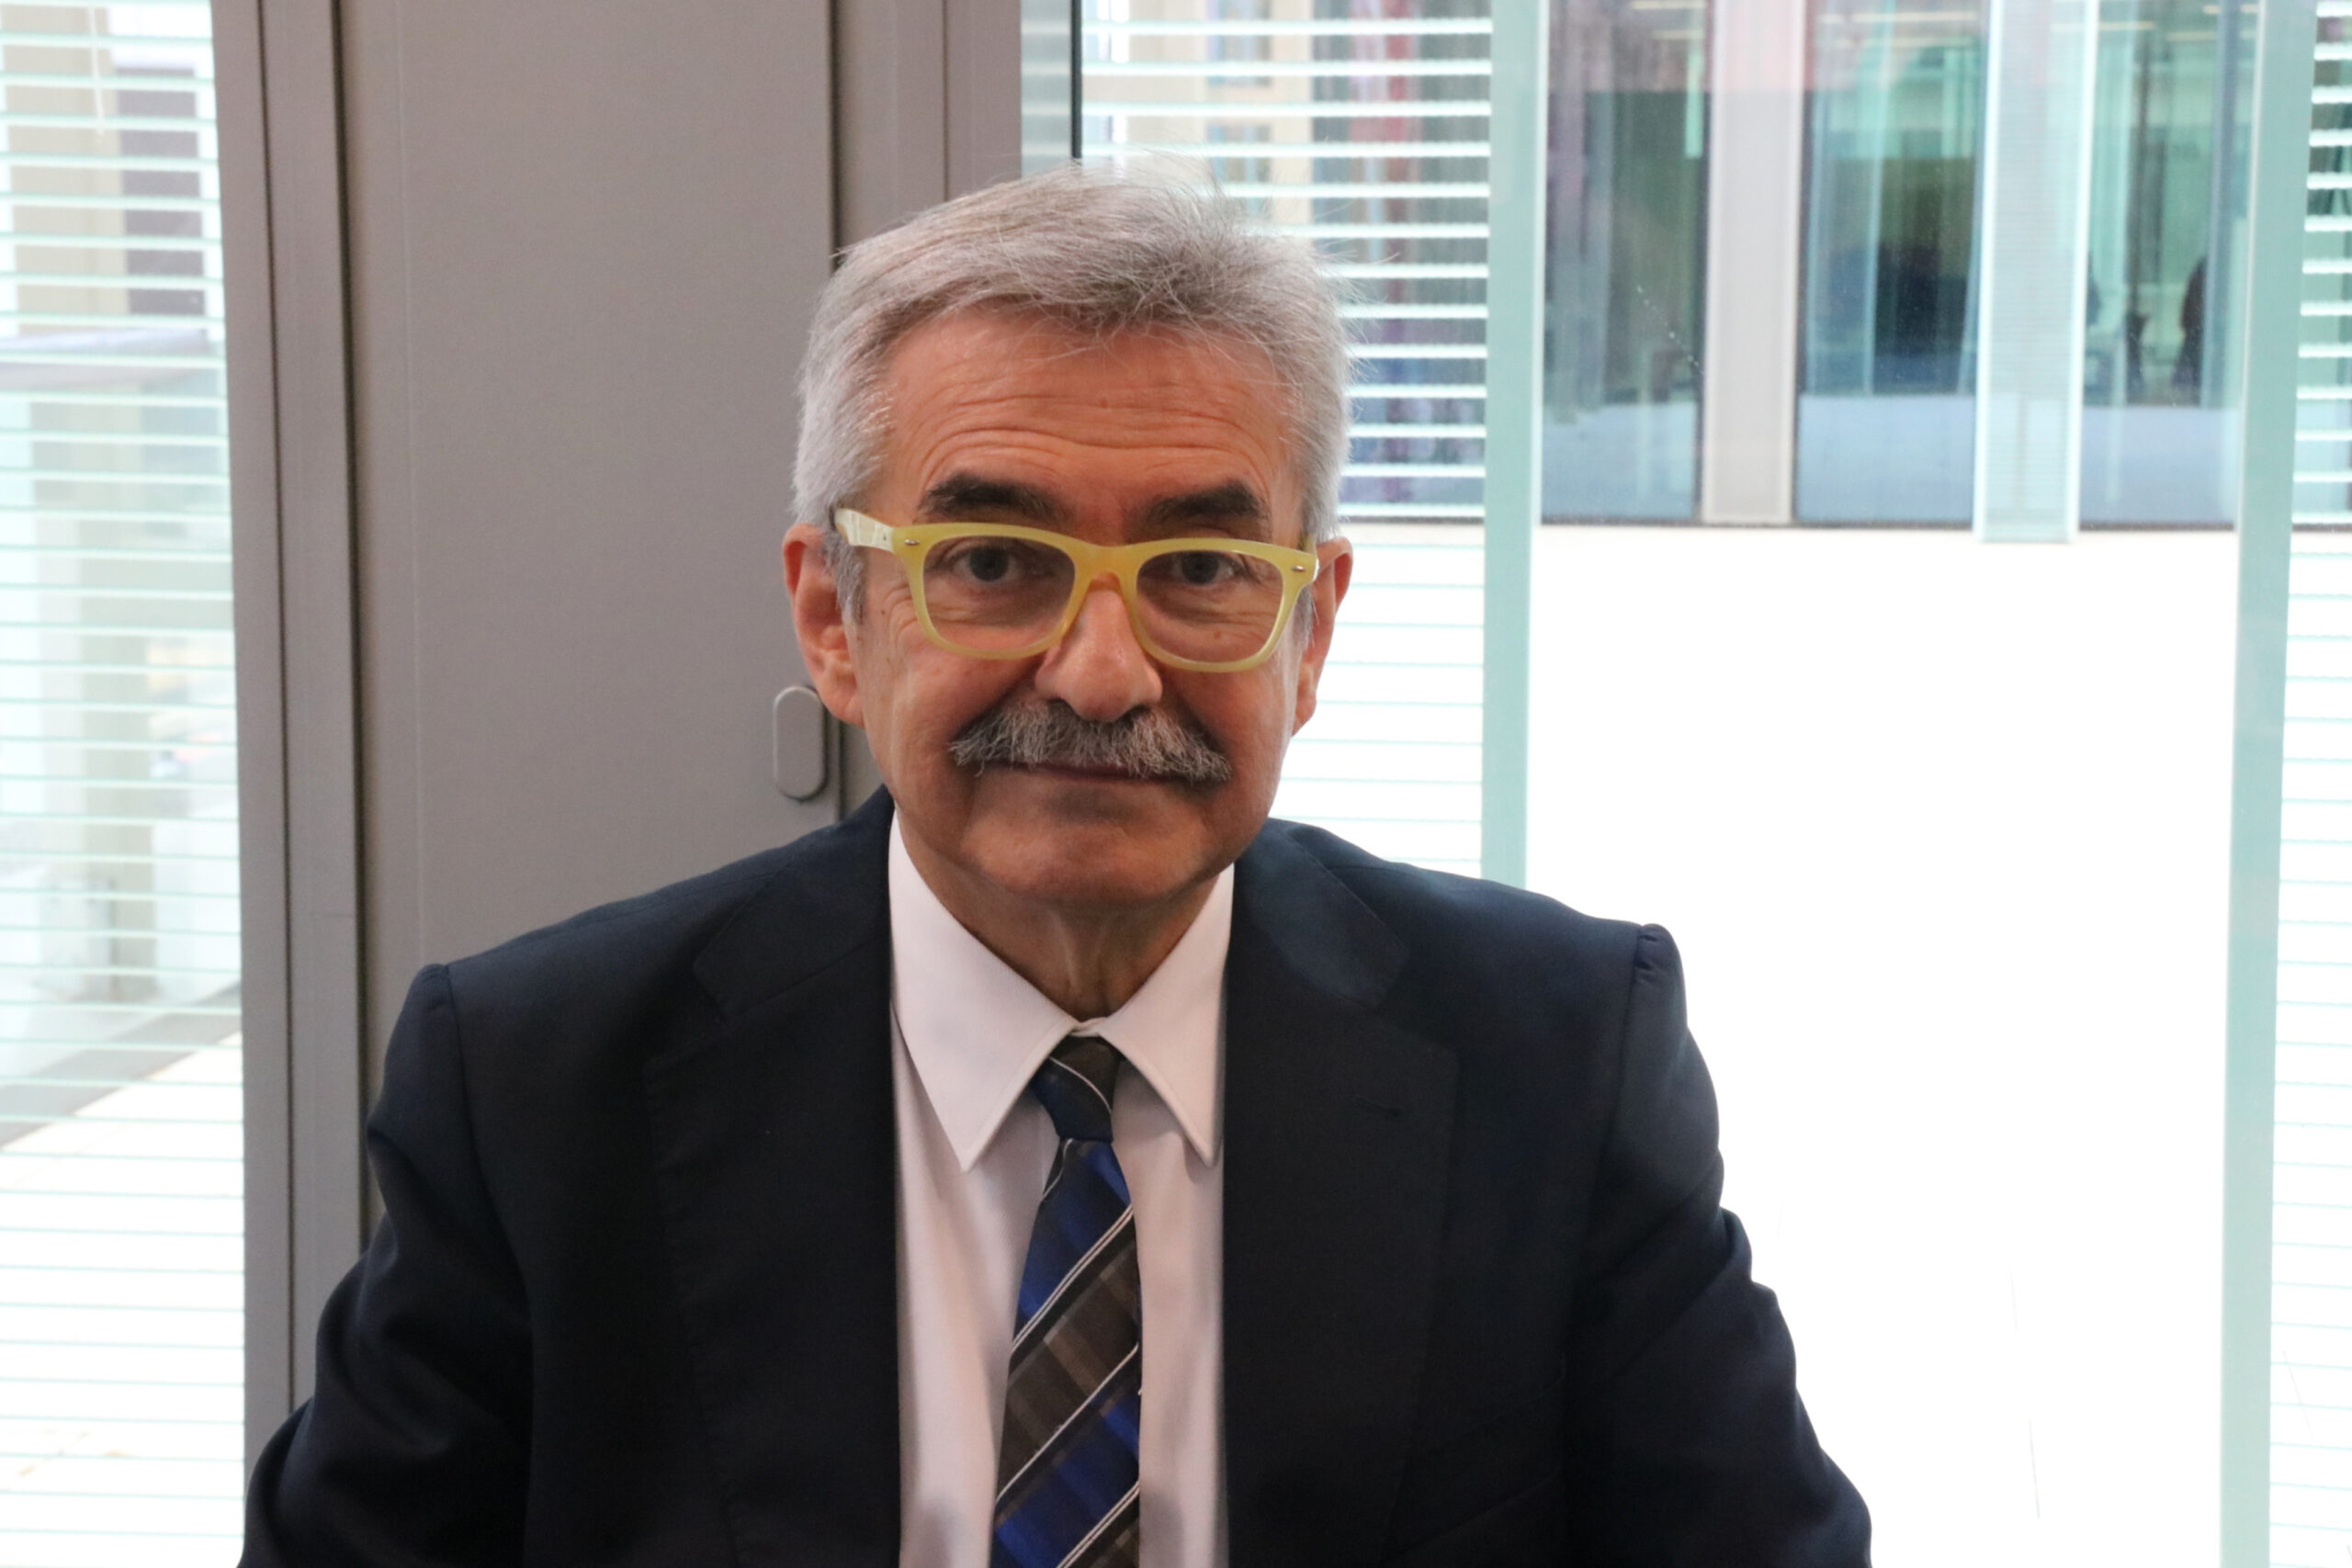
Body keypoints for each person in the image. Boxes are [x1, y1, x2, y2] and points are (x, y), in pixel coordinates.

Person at [240, 164, 1869, 1568]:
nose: (1103, 673)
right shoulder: (539, 1088)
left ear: (1309, 634)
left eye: (1202, 570)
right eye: (996, 561)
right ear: (832, 619)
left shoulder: (1558, 1058)